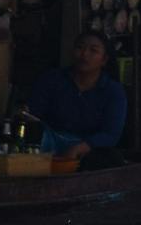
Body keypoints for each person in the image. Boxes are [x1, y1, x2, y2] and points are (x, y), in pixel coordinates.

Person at [26, 30, 128, 164]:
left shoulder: (113, 90)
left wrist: (79, 148)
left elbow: (111, 134)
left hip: (88, 148)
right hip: (49, 141)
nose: (84, 54)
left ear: (104, 60)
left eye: (93, 50)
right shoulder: (52, 79)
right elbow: (34, 115)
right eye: (80, 47)